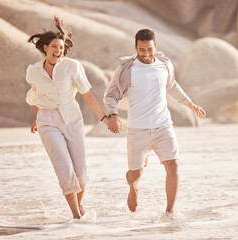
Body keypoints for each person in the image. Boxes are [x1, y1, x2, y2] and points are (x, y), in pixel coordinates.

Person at [104, 29, 206, 214]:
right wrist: (113, 115)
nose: (146, 54)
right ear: (135, 47)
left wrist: (191, 105)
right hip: (138, 130)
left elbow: (172, 85)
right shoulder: (127, 69)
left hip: (163, 125)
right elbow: (110, 95)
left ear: (155, 46)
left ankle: (170, 212)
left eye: (150, 49)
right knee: (135, 174)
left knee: (173, 165)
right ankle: (133, 187)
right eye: (142, 50)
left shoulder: (164, 65)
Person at [25, 16, 109, 219]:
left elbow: (87, 95)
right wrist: (38, 118)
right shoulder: (33, 71)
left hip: (72, 120)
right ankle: (76, 217)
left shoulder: (73, 67)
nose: (58, 51)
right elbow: (38, 97)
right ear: (45, 48)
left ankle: (79, 207)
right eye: (54, 47)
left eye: (61, 48)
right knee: (64, 167)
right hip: (47, 121)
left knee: (80, 173)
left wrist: (104, 118)